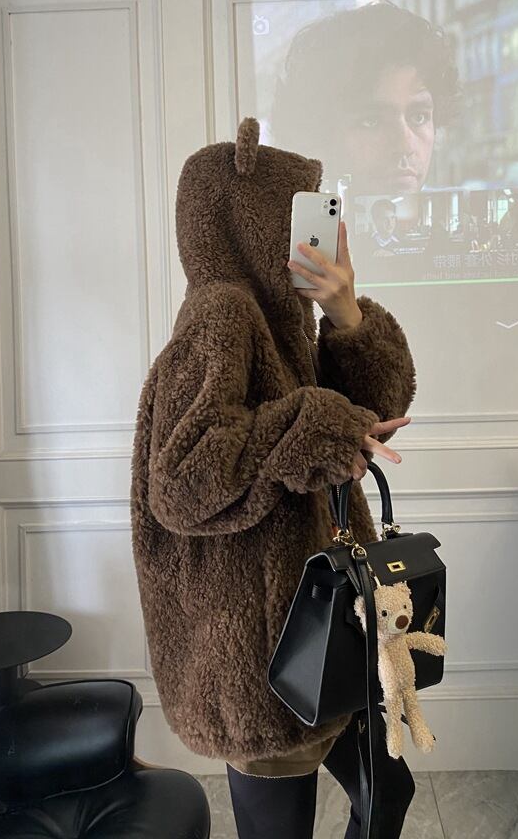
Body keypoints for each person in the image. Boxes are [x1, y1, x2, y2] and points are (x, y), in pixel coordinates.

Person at [131, 118, 417, 839]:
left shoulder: (281, 320)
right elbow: (182, 482)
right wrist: (313, 427)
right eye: (296, 211)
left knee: (389, 791)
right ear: (245, 219)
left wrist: (346, 312)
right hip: (261, 655)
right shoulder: (220, 315)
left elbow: (370, 414)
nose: (314, 229)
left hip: (321, 626)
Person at [270, 1, 461, 245]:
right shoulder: (279, 241)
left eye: (419, 117)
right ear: (321, 133)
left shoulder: (436, 241)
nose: (405, 146)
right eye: (371, 121)